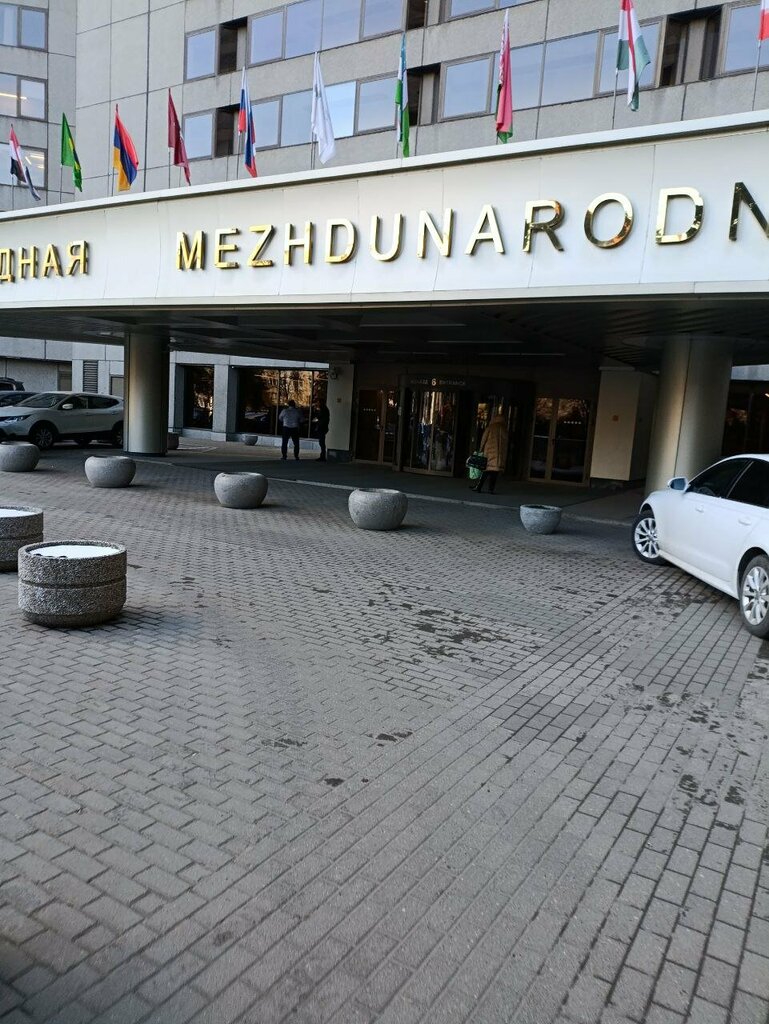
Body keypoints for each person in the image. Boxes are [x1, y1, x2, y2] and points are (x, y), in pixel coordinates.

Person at [471, 410, 508, 494]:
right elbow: (506, 444)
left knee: (485, 471)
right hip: (499, 456)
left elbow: (483, 439)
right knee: (495, 473)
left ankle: (478, 487)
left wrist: (480, 449)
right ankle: (491, 489)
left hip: (489, 453)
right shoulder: (504, 429)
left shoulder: (491, 427)